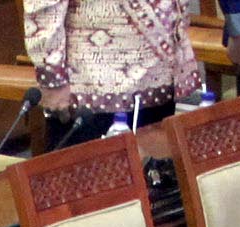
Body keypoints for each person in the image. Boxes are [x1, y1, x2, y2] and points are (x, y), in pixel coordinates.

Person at [26, 0, 201, 143]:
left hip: (161, 80)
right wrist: (52, 79)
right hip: (93, 89)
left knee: (155, 178)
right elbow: (42, 7)